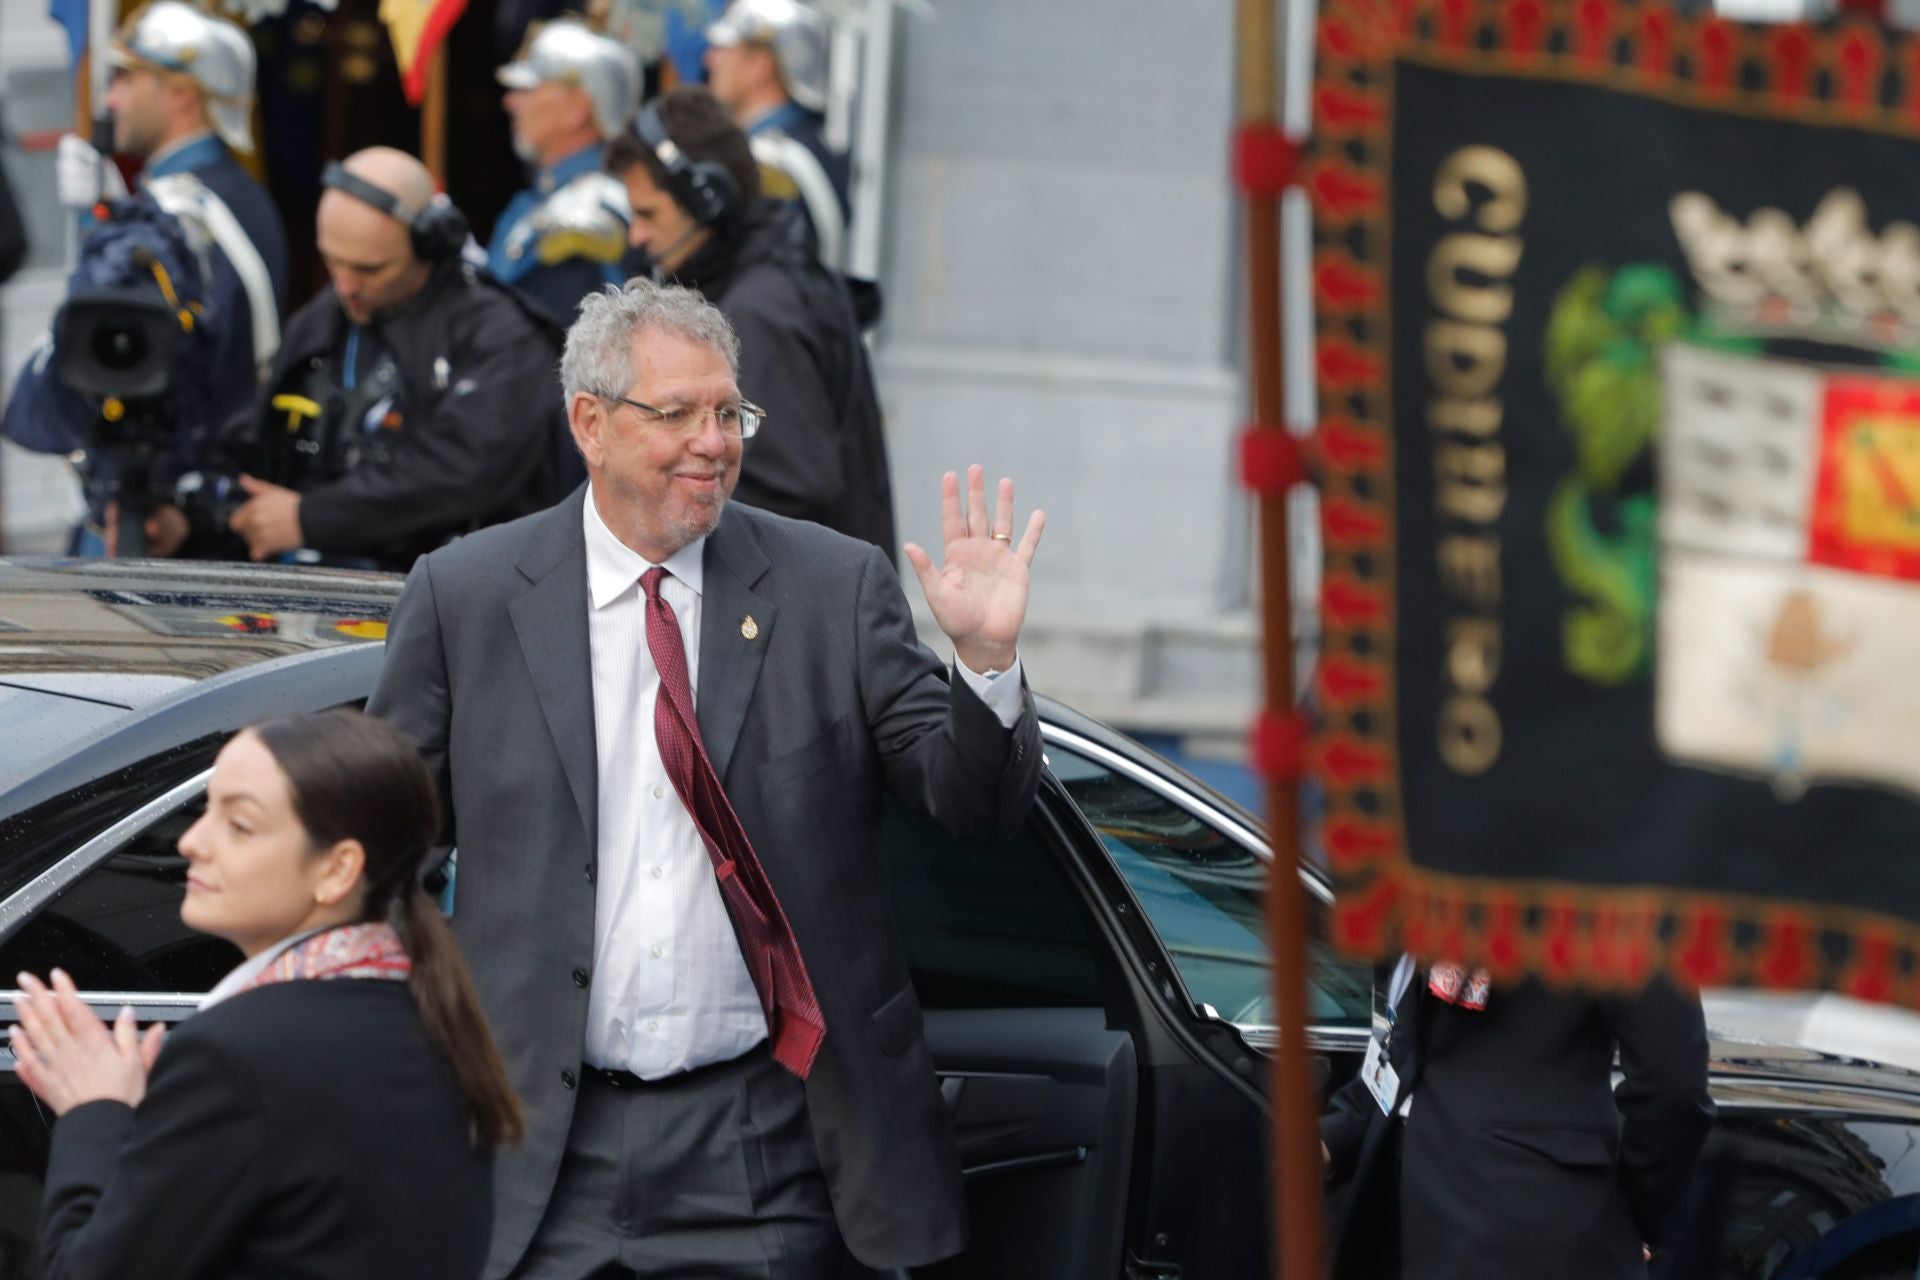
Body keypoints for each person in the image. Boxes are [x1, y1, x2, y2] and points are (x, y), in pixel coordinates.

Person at [367, 277, 1047, 1278]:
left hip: (763, 1144)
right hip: (530, 1143)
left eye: (729, 411)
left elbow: (977, 807)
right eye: (676, 412)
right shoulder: (465, 596)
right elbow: (382, 862)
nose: (714, 440)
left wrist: (985, 664)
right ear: (589, 424)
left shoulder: (831, 587)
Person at [8, 709, 521, 1280]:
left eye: (240, 825)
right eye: (207, 812)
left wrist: (93, 1110)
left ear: (337, 869)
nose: (192, 842)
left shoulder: (237, 1055)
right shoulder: (433, 1018)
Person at [150, 146, 569, 571]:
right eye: (333, 262)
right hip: (303, 602)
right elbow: (252, 444)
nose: (346, 286)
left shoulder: (505, 336)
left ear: (430, 242)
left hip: (454, 611)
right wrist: (188, 518)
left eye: (370, 269)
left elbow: (461, 473)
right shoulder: (321, 319)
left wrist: (309, 518)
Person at [2, 0, 288, 555]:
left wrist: (105, 233)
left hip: (149, 523)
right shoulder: (246, 200)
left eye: (128, 79)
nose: (110, 99)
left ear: (182, 92)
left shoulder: (168, 220)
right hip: (208, 508)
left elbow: (60, 393)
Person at [608, 88, 894, 552]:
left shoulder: (758, 314)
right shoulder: (765, 285)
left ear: (707, 199)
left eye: (647, 213)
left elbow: (786, 495)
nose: (636, 236)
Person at [1319, 957, 1717, 1279]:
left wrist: (1639, 1221)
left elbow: (1673, 1087)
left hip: (1531, 1239)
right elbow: (1405, 1038)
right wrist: (1342, 1131)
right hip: (1406, 1219)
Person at [489, 18, 642, 325]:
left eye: (530, 89)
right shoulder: (544, 196)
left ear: (576, 110)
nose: (511, 102)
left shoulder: (588, 215)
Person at [703, 0, 850, 270]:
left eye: (725, 49)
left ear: (760, 64)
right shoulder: (799, 144)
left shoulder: (772, 162)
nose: (710, 59)